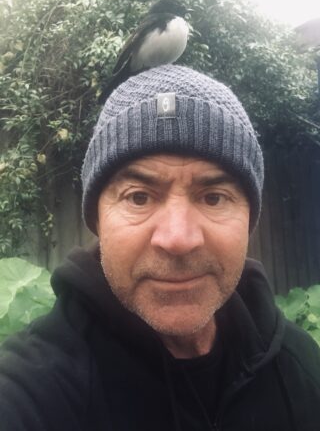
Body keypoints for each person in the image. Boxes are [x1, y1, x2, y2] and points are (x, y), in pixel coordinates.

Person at [1, 64, 320, 431]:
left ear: (249, 219)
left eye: (214, 197)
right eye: (138, 197)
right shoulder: (32, 389)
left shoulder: (299, 365)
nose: (178, 239)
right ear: (97, 221)